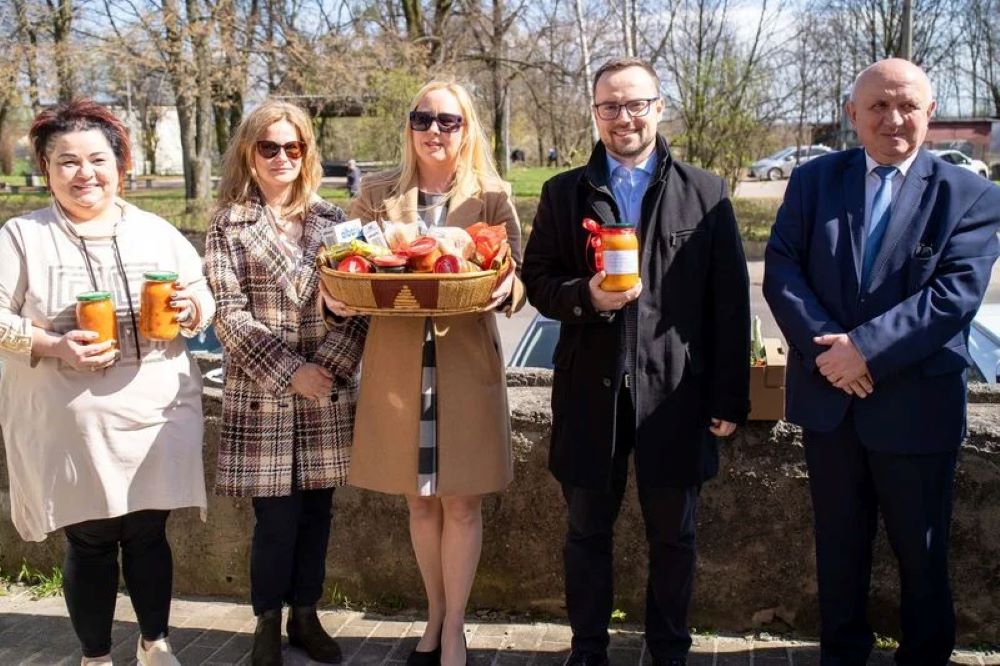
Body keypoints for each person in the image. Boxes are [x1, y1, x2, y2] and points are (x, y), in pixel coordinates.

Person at [763, 58, 1000, 665]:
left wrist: (862, 349)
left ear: (930, 114)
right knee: (837, 548)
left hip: (917, 406)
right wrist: (830, 353)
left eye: (908, 107)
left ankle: (923, 657)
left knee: (921, 554)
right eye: (878, 106)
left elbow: (953, 297)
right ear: (852, 114)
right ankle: (842, 655)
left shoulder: (970, 195)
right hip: (830, 405)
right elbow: (784, 271)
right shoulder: (815, 181)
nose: (893, 120)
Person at [521, 58, 750, 666]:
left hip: (676, 394)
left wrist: (730, 397)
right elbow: (537, 280)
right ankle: (587, 649)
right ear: (595, 114)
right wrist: (585, 297)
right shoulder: (562, 192)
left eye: (635, 104)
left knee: (674, 537)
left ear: (658, 106)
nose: (623, 118)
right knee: (586, 533)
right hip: (588, 395)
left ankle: (668, 650)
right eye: (609, 107)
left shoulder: (706, 192)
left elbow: (730, 305)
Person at [0, 99, 215, 666]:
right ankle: (96, 655)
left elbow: (204, 295)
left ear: (121, 165)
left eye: (97, 159)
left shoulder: (156, 231)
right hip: (70, 422)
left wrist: (192, 309)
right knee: (91, 539)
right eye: (65, 161)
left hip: (154, 414)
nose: (84, 173)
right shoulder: (23, 236)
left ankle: (155, 642)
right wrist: (50, 343)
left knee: (148, 532)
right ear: (45, 169)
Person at [319, 80, 522, 666]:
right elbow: (342, 267)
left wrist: (510, 286)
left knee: (461, 503)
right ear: (409, 127)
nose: (435, 130)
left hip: (465, 361)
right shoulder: (378, 193)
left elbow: (517, 276)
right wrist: (335, 297)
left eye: (449, 121)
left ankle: (453, 625)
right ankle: (433, 613)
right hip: (398, 366)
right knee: (418, 503)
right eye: (423, 118)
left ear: (467, 130)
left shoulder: (491, 195)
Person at [205, 99, 368, 666]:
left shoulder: (335, 221)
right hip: (264, 393)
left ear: (307, 154)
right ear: (249, 154)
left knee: (319, 512)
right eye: (268, 147)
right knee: (274, 517)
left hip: (326, 388)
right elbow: (228, 314)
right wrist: (289, 372)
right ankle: (266, 620)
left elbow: (361, 306)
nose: (280, 157)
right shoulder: (229, 223)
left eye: (292, 147)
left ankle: (306, 613)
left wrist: (328, 367)